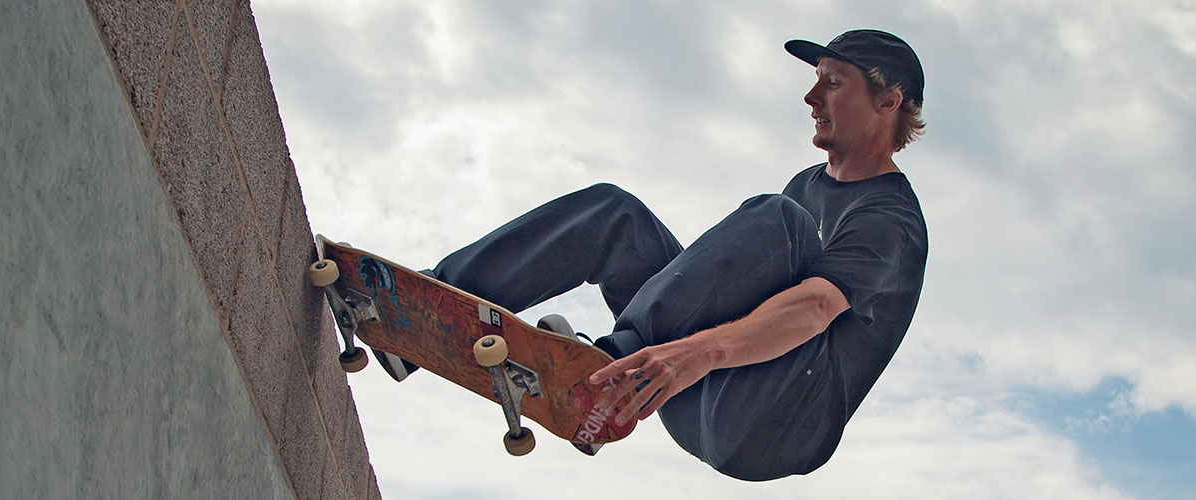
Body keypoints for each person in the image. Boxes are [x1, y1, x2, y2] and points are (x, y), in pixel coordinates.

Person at [382, 29, 928, 481]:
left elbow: (814, 307)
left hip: (775, 422)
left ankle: (605, 367)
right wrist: (689, 353)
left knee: (778, 218)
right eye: (814, 84)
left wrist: (693, 353)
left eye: (832, 84)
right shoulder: (807, 184)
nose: (811, 99)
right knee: (616, 217)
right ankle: (419, 309)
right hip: (698, 394)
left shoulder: (890, 218)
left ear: (888, 100)